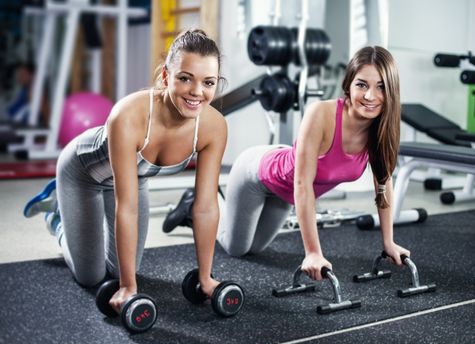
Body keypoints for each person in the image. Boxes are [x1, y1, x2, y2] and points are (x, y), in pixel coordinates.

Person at [164, 46, 410, 281]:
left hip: (285, 190)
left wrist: (388, 242)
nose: (370, 96)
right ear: (348, 85)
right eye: (361, 85)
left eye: (380, 87)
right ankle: (195, 202)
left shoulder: (382, 129)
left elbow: (383, 184)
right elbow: (303, 185)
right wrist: (313, 251)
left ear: (392, 91)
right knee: (236, 247)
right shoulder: (322, 115)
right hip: (258, 174)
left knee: (255, 248)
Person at [23, 29, 228, 312]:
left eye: (208, 82)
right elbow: (127, 207)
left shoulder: (213, 127)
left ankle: (76, 228)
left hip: (136, 178)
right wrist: (129, 288)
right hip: (83, 174)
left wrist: (206, 278)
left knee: (121, 268)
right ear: (167, 77)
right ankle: (57, 218)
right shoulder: (129, 114)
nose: (197, 92)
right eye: (185, 78)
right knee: (91, 276)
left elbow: (205, 207)